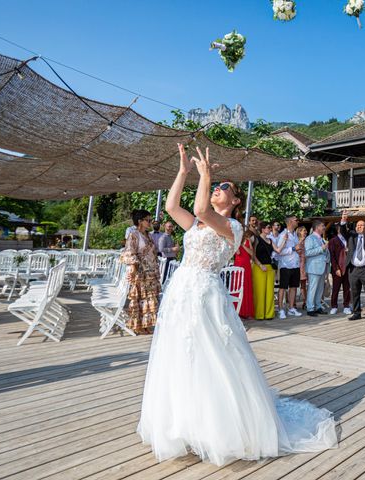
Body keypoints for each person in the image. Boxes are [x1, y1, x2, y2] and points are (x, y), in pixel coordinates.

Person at [138, 144, 337, 466]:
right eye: (215, 186)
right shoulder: (197, 225)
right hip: (181, 293)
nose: (217, 188)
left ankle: (220, 427)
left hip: (205, 295)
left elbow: (203, 209)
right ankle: (186, 423)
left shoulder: (232, 227)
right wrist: (184, 172)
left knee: (211, 355)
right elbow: (174, 206)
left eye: (223, 188)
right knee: (180, 354)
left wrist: (206, 175)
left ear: (235, 201)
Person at [120, 209, 161, 334]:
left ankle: (146, 324)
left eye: (151, 220)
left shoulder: (148, 235)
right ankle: (138, 325)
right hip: (141, 272)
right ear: (140, 221)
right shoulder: (134, 235)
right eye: (148, 220)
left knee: (149, 298)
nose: (150, 223)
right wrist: (133, 265)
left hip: (151, 271)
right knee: (140, 299)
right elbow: (129, 251)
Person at [275, 216, 303, 319]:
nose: (298, 221)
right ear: (290, 222)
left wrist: (297, 249)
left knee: (293, 287)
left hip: (295, 265)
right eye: (296, 220)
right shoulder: (283, 235)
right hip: (285, 265)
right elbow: (279, 251)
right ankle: (281, 309)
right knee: (283, 288)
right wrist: (293, 248)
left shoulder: (295, 234)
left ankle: (291, 308)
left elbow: (295, 249)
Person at [304, 220, 330, 316]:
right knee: (312, 288)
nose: (324, 228)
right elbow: (307, 253)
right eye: (322, 226)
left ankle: (318, 306)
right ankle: (310, 308)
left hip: (322, 267)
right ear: (317, 227)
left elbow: (325, 252)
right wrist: (321, 248)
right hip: (314, 268)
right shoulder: (310, 238)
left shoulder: (321, 239)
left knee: (320, 289)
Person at [252, 221, 275, 320]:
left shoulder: (270, 240)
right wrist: (260, 265)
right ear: (263, 229)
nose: (270, 229)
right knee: (259, 292)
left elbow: (278, 250)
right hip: (259, 267)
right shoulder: (256, 239)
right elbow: (253, 254)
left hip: (269, 267)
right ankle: (259, 314)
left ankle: (269, 314)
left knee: (270, 291)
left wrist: (285, 241)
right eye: (268, 227)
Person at [328, 224, 351, 315]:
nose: (346, 229)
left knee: (347, 288)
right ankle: (334, 306)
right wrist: (336, 268)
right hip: (337, 268)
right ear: (338, 230)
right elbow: (332, 257)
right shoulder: (333, 241)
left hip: (347, 267)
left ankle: (346, 306)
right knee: (336, 288)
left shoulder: (349, 239)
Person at [233, 228, 255, 319]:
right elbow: (237, 252)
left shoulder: (247, 241)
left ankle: (246, 311)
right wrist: (237, 244)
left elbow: (252, 253)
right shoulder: (235, 241)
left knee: (247, 286)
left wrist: (244, 245)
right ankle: (237, 311)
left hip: (246, 265)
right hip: (238, 265)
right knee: (237, 286)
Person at [295, 226, 309, 310]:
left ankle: (305, 302)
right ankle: (293, 303)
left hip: (305, 265)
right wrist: (301, 240)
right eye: (304, 231)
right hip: (297, 265)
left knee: (304, 285)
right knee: (294, 285)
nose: (306, 232)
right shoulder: (296, 240)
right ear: (299, 232)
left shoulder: (308, 241)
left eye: (306, 230)